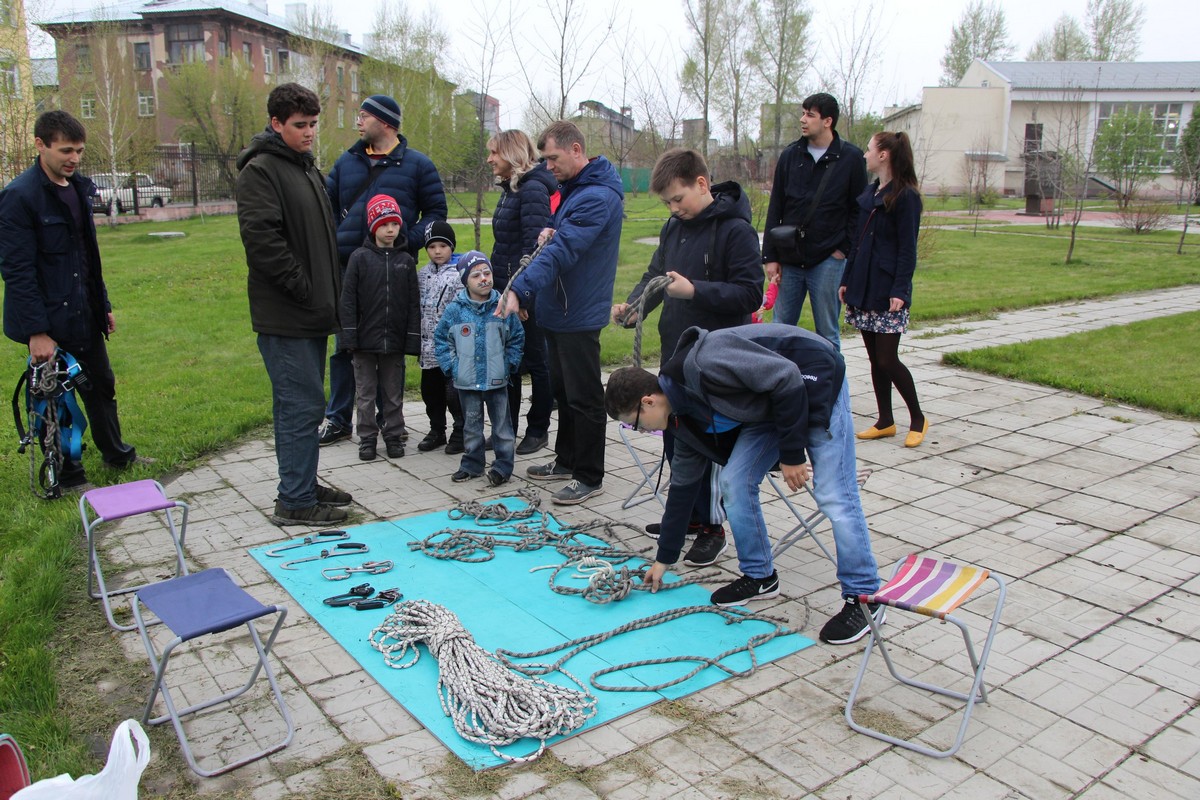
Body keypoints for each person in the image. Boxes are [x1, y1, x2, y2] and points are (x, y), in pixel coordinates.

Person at [603, 324, 885, 645]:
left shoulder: (706, 362)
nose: (638, 430)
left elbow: (787, 377)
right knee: (733, 481)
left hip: (812, 376)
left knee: (835, 493)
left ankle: (864, 598)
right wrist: (664, 558)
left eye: (634, 423)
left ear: (649, 401)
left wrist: (792, 455)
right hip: (771, 406)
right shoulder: (681, 421)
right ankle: (760, 576)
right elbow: (682, 488)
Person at [610, 147, 763, 567]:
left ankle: (713, 528)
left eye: (678, 199)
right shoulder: (672, 229)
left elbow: (750, 293)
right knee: (676, 438)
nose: (674, 209)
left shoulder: (737, 232)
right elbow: (655, 276)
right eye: (667, 204)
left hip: (718, 362)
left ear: (701, 184)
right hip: (677, 354)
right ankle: (690, 519)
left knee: (706, 442)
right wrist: (635, 305)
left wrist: (696, 290)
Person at [0, 110, 144, 489]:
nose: (74, 158)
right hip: (49, 321)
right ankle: (68, 474)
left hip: (85, 312)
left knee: (102, 386)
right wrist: (37, 332)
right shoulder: (19, 197)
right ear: (40, 145)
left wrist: (104, 304)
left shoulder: (80, 189)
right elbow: (17, 271)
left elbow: (87, 258)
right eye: (66, 150)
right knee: (55, 401)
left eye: (79, 151)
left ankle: (117, 454)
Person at [236, 82, 351, 526]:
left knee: (306, 404)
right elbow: (262, 242)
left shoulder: (303, 168)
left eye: (313, 125)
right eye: (300, 125)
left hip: (311, 313)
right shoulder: (261, 171)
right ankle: (295, 500)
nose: (309, 133)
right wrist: (303, 289)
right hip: (287, 315)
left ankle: (302, 480)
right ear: (276, 123)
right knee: (299, 405)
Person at [497, 121, 624, 506]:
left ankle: (589, 475)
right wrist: (549, 229)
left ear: (575, 149)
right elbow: (557, 233)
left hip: (579, 311)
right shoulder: (575, 190)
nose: (547, 165)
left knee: (584, 397)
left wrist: (519, 287)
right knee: (563, 391)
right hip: (560, 307)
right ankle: (567, 460)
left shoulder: (596, 196)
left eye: (552, 157)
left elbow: (565, 249)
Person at [320, 94, 448, 447]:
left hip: (395, 269)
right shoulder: (346, 163)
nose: (357, 122)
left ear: (386, 123)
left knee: (389, 347)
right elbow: (326, 206)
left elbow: (436, 212)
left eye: (364, 116)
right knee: (346, 344)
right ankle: (339, 418)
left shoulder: (418, 165)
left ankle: (387, 420)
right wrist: (337, 238)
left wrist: (408, 240)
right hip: (351, 267)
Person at [840, 131, 928, 448]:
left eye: (869, 149)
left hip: (888, 290)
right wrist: (846, 280)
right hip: (864, 287)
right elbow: (858, 242)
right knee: (875, 360)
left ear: (884, 155)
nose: (865, 155)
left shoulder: (906, 198)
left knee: (888, 359)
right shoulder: (871, 193)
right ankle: (885, 420)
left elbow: (908, 249)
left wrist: (900, 290)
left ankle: (917, 418)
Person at [762, 93, 867, 350]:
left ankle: (831, 389)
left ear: (828, 121)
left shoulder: (851, 158)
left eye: (810, 114)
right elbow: (776, 205)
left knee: (827, 334)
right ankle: (778, 385)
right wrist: (770, 256)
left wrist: (843, 250)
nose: (803, 119)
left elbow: (858, 210)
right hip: (789, 258)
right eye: (803, 113)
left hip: (828, 260)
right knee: (780, 330)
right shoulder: (790, 155)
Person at [487, 129, 556, 456]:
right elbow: (506, 244)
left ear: (511, 154)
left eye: (494, 153)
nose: (489, 159)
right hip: (506, 291)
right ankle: (506, 428)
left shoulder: (531, 191)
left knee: (536, 361)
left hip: (525, 294)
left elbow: (537, 248)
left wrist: (524, 296)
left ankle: (538, 429)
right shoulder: (511, 189)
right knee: (508, 363)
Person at [339, 194, 420, 461]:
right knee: (365, 394)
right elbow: (348, 299)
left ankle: (394, 435)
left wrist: (411, 338)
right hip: (363, 341)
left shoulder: (406, 261)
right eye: (384, 224)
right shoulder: (359, 258)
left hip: (394, 341)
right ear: (373, 226)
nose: (390, 230)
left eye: (395, 224)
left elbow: (412, 303)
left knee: (393, 393)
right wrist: (349, 335)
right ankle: (367, 438)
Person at [435, 252, 524, 486]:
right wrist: (452, 367)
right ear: (466, 280)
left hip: (497, 380)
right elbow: (442, 340)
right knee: (472, 427)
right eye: (476, 275)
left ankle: (502, 467)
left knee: (502, 429)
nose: (483, 279)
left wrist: (509, 364)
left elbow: (516, 337)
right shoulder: (455, 311)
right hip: (467, 381)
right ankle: (472, 464)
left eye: (487, 273)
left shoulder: (502, 306)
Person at [415, 220, 465, 454]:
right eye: (432, 246)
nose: (437, 251)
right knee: (430, 393)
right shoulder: (422, 275)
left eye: (443, 246)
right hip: (427, 347)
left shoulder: (458, 275)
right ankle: (437, 429)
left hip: (451, 349)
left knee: (454, 393)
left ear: (451, 247)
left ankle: (461, 430)